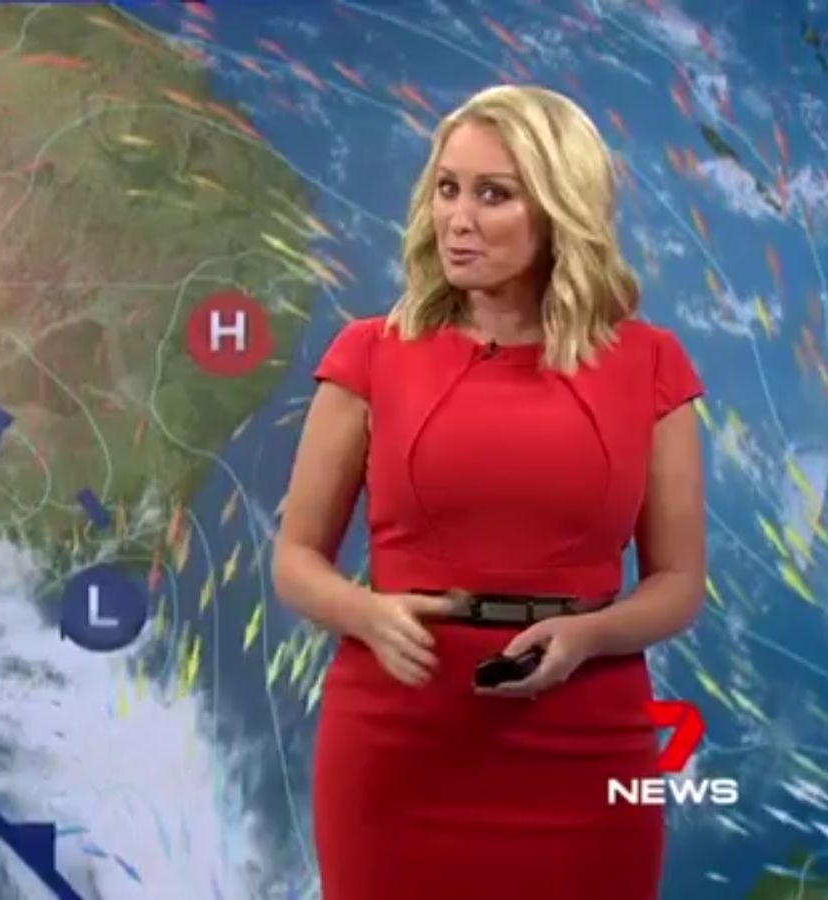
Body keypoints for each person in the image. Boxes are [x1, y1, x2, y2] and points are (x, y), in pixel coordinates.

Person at [271, 83, 706, 900]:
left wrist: (590, 636)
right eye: (447, 188)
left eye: (493, 195)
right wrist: (366, 613)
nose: (457, 219)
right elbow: (296, 558)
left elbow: (679, 583)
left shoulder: (649, 365)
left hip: (586, 743)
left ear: (560, 210)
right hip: (397, 742)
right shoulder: (372, 353)